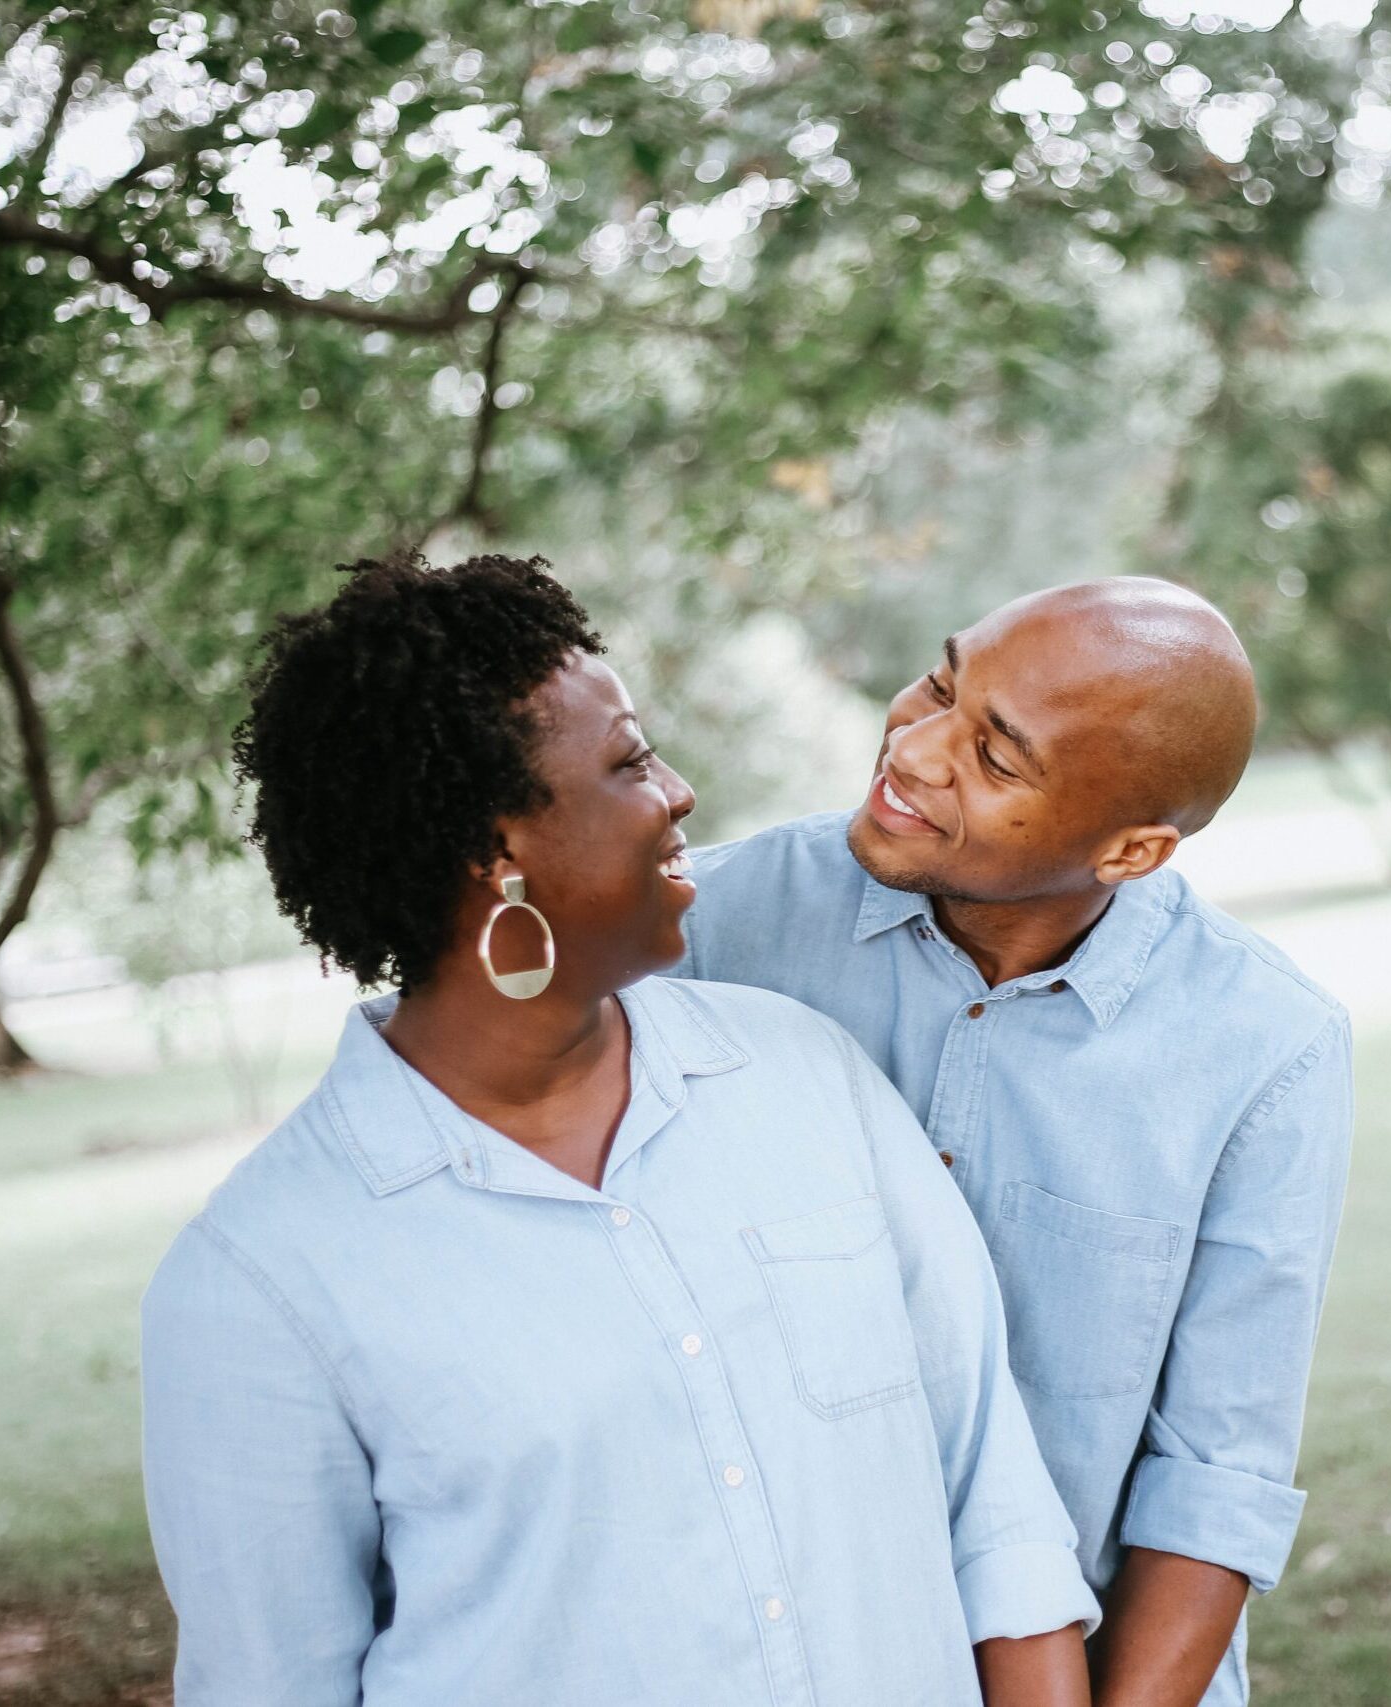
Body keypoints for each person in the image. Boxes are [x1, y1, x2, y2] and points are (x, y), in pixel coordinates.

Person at [140, 553, 1096, 1707]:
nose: (679, 790)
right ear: (497, 854)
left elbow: (998, 1522)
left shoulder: (806, 1079)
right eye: (630, 760)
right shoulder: (260, 1281)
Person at [672, 577, 1354, 1706]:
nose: (915, 748)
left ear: (1131, 853)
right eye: (941, 684)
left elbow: (1214, 1476)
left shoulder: (1266, 1048)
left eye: (995, 759)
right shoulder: (702, 936)